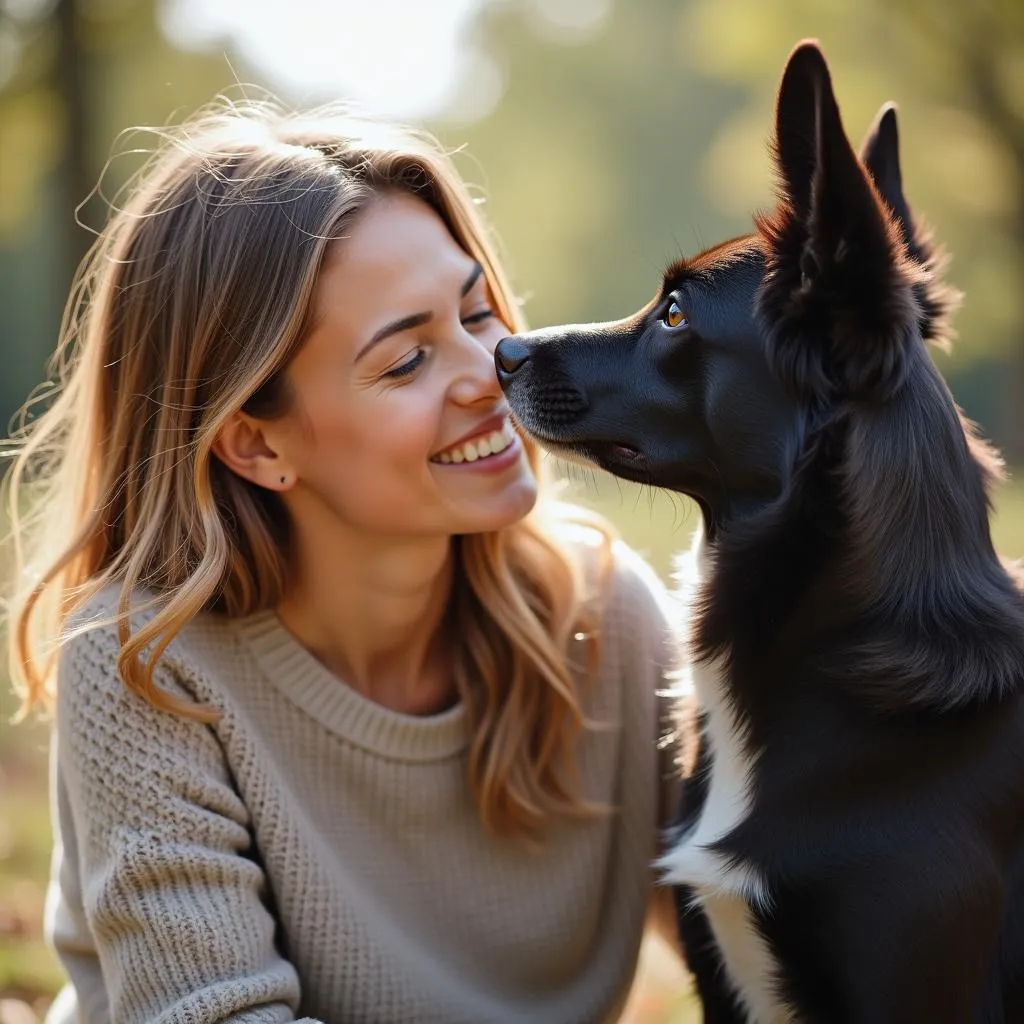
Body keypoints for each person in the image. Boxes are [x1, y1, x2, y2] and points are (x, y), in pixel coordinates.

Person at [3, 100, 684, 1024]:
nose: (494, 371)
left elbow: (784, 940)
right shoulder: (144, 665)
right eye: (406, 362)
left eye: (477, 311)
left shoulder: (605, 617)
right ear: (255, 444)